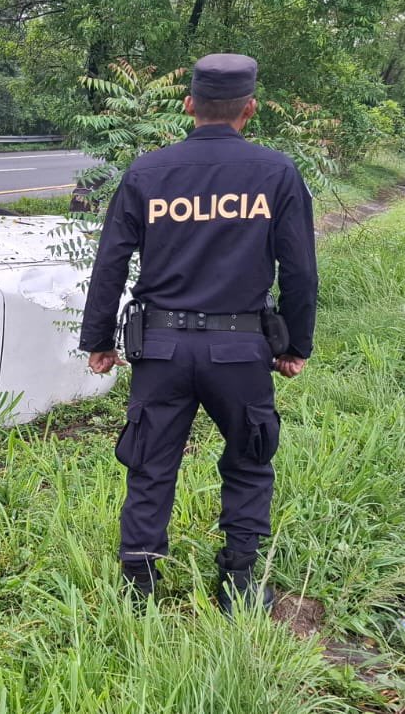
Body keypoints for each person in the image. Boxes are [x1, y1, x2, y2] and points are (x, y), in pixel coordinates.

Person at [79, 53, 318, 614]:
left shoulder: (147, 172)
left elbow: (110, 262)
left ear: (188, 105)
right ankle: (238, 583)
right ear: (249, 109)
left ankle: (138, 587)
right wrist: (294, 345)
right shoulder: (276, 172)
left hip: (161, 349)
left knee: (150, 463)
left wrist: (99, 340)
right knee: (249, 460)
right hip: (240, 350)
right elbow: (300, 270)